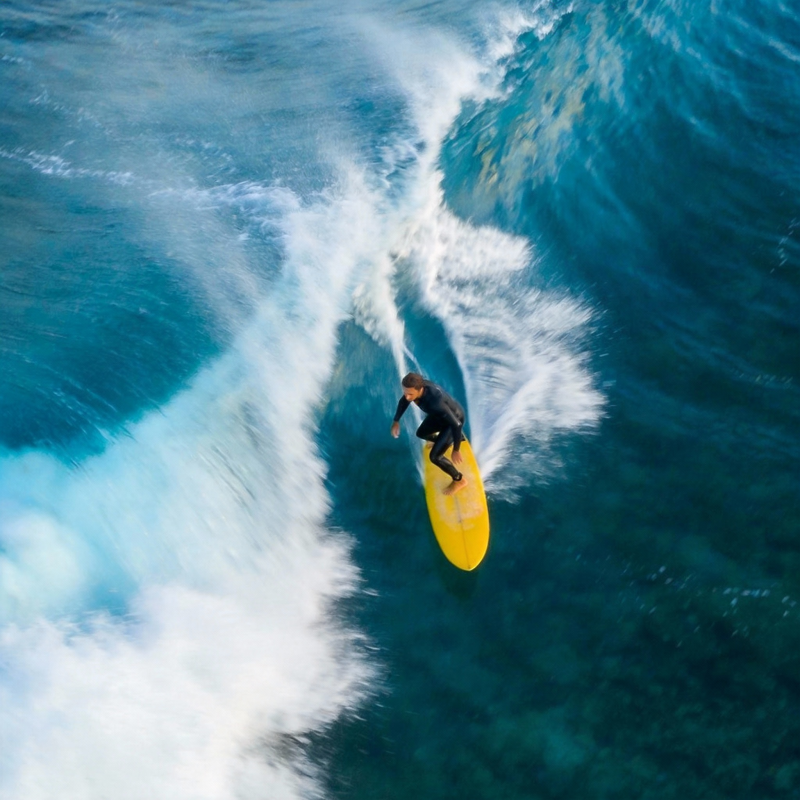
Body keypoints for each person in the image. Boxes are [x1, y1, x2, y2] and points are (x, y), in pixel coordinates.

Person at [390, 372, 468, 496]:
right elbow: (404, 401)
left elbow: (456, 424)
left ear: (420, 389)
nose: (407, 396)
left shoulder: (434, 403)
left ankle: (459, 479)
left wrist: (456, 450)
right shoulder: (414, 388)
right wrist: (396, 421)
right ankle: (443, 441)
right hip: (439, 417)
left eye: (410, 394)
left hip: (452, 422)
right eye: (405, 392)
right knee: (421, 433)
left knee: (435, 457)